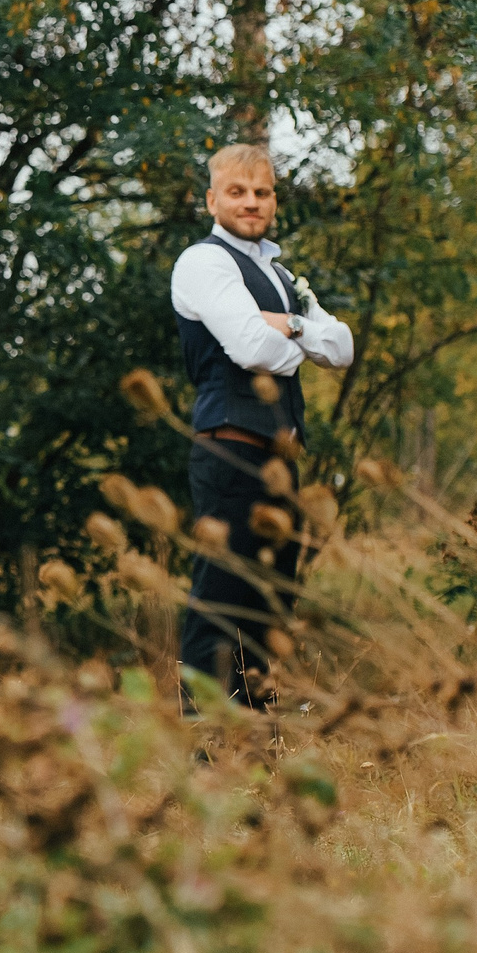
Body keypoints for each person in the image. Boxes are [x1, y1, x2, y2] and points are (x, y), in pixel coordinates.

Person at [170, 142, 355, 709]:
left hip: (277, 464)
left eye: (262, 192)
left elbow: (342, 346)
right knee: (219, 596)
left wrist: (289, 323)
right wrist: (297, 338)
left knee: (270, 599)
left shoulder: (277, 271)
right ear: (212, 199)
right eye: (237, 192)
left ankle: (255, 738)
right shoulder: (204, 261)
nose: (252, 202)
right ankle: (206, 747)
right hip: (229, 452)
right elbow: (253, 349)